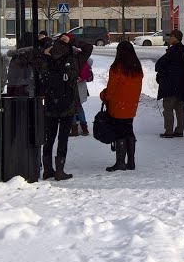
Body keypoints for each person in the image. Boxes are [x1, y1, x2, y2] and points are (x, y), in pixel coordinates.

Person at [39, 32, 93, 180]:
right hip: (68, 105)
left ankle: (47, 170)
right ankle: (60, 171)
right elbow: (88, 48)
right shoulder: (74, 60)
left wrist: (45, 51)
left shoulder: (46, 60)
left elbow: (37, 62)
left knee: (49, 138)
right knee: (63, 138)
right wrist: (73, 40)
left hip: (50, 104)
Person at [100, 40, 142, 171]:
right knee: (129, 130)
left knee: (119, 132)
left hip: (118, 104)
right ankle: (131, 162)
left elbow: (112, 87)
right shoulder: (137, 67)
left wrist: (105, 96)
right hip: (131, 104)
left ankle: (120, 162)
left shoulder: (117, 67)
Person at [155, 29, 184, 137]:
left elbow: (159, 65)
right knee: (179, 108)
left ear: (175, 38)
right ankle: (179, 130)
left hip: (171, 84)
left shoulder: (173, 51)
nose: (169, 39)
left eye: (170, 37)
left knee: (168, 108)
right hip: (182, 84)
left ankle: (168, 131)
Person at [71, 56, 94, 137]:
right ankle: (84, 128)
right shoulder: (80, 54)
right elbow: (90, 61)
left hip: (71, 85)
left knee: (71, 108)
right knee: (79, 107)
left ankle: (74, 129)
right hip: (81, 85)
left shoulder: (68, 54)